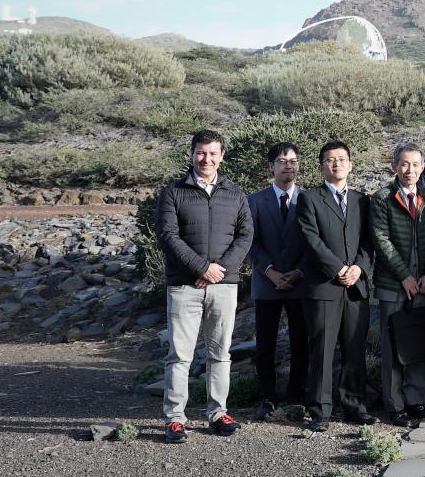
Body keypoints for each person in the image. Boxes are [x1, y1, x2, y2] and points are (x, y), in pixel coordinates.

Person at [157, 129, 254, 444]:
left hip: (224, 287)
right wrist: (201, 268)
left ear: (222, 156)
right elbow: (169, 236)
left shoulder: (236, 195)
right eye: (201, 152)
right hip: (184, 287)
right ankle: (175, 419)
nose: (206, 159)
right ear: (191, 154)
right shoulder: (173, 192)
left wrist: (217, 271)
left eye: (213, 153)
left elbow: (245, 236)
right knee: (180, 355)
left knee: (220, 354)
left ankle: (218, 413)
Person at [298, 140, 375, 432]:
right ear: (322, 167)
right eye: (330, 160)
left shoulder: (361, 200)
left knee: (355, 349)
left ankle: (355, 406)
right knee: (323, 349)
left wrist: (358, 268)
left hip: (356, 287)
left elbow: (369, 240)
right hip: (324, 287)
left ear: (351, 165)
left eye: (342, 159)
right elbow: (311, 240)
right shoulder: (310, 199)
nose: (336, 164)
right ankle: (320, 410)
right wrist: (339, 268)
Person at [370, 143, 425, 428]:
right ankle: (395, 404)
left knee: (419, 345)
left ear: (423, 167)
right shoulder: (381, 198)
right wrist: (404, 276)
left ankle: (416, 399)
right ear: (394, 166)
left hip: (423, 284)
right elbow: (381, 240)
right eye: (404, 164)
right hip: (393, 284)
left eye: (415, 164)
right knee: (393, 346)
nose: (409, 169)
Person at [246, 141, 309, 421]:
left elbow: (314, 242)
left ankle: (297, 396)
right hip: (266, 282)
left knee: (300, 341)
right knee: (266, 343)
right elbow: (250, 242)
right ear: (271, 166)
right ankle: (267, 397)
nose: (288, 166)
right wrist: (269, 271)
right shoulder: (254, 201)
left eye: (293, 161)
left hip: (300, 282)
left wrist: (297, 272)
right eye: (283, 161)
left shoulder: (309, 199)